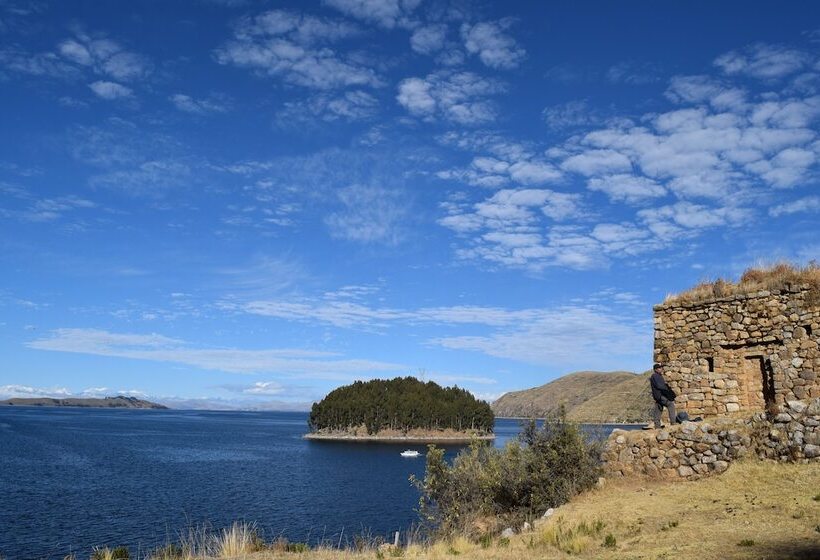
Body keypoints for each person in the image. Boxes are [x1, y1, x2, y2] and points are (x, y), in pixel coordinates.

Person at [650, 363, 678, 428]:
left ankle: (657, 426)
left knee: (658, 410)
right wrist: (667, 390)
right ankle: (673, 423)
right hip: (660, 395)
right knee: (671, 405)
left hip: (658, 396)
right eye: (659, 368)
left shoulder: (657, 376)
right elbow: (660, 386)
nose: (661, 369)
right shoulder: (655, 376)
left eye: (661, 368)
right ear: (656, 369)